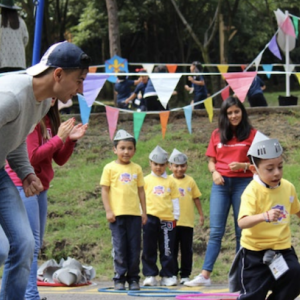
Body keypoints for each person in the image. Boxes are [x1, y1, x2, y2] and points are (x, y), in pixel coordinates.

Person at [0, 41, 90, 300]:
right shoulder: (12, 96)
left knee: (26, 244)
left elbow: (14, 140)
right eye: (79, 80)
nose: (80, 89)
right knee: (1, 249)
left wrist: (27, 173)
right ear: (58, 74)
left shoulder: (41, 103)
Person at [185, 96, 256, 287]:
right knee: (216, 231)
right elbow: (211, 161)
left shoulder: (252, 134)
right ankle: (205, 275)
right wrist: (214, 172)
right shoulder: (217, 134)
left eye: (236, 111)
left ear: (242, 111)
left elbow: (260, 164)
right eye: (229, 112)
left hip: (244, 185)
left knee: (242, 230)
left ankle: (241, 275)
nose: (233, 115)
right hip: (221, 185)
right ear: (224, 115)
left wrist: (243, 165)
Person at [232, 131, 300, 300]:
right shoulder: (251, 192)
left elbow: (297, 210)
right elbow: (242, 222)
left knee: (296, 275)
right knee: (253, 294)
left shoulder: (288, 187)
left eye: (280, 166)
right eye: (270, 169)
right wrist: (264, 216)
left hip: (282, 250)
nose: (276, 173)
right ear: (255, 169)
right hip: (255, 254)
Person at [100, 129, 147, 291]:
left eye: (129, 148)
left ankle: (133, 278)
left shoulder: (137, 169)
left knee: (134, 249)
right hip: (117, 216)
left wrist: (144, 212)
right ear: (115, 149)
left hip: (134, 215)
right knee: (120, 248)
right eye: (122, 148)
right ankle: (119, 278)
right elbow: (105, 190)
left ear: (134, 150)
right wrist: (108, 210)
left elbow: (141, 191)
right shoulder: (109, 168)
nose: (126, 151)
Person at [142, 145, 180, 287]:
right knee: (148, 247)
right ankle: (150, 275)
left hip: (167, 219)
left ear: (167, 165)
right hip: (150, 218)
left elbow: (175, 199)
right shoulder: (145, 180)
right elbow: (141, 198)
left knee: (167, 248)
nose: (158, 167)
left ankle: (168, 275)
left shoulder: (171, 181)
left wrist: (176, 216)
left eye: (162, 164)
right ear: (150, 163)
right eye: (155, 164)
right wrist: (142, 214)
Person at [168, 148, 204, 284]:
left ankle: (185, 275)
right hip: (171, 221)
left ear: (186, 166)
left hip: (187, 222)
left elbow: (196, 198)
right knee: (171, 249)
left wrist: (201, 215)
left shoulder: (190, 181)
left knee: (186, 250)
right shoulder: (167, 181)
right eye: (176, 166)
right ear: (170, 166)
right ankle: (172, 274)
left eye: (182, 166)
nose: (179, 169)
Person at [0, 0, 29, 73]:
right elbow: (26, 39)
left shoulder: (0, 20)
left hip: (3, 62)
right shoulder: (21, 22)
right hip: (19, 62)